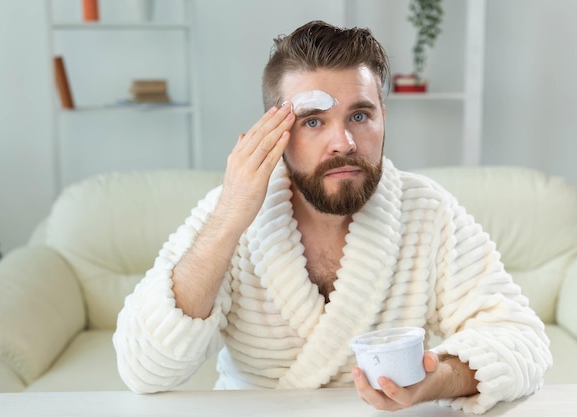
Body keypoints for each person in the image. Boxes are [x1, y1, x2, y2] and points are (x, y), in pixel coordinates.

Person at [113, 20, 552, 414]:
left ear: (383, 118)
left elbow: (522, 339)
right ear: (276, 134)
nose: (343, 142)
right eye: (313, 121)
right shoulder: (228, 212)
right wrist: (230, 217)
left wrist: (435, 381)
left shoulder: (427, 212)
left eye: (360, 115)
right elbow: (144, 370)